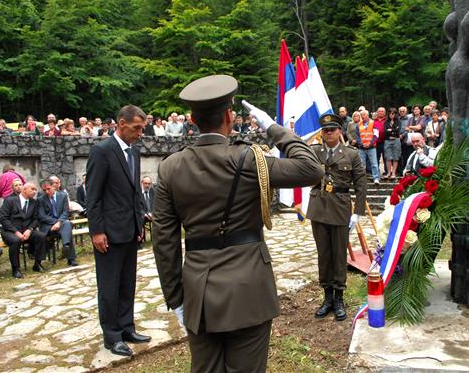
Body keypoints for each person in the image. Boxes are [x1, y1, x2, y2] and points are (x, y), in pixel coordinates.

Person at [152, 74, 323, 373]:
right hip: (248, 285)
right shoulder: (249, 159)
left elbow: (164, 241)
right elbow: (311, 168)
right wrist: (273, 128)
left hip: (198, 290)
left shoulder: (170, 167)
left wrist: (176, 298)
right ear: (230, 116)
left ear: (192, 119)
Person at [86, 105, 151, 357]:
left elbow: (135, 192)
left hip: (129, 229)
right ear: (121, 124)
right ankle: (111, 336)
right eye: (136, 128)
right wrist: (97, 231)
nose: (140, 133)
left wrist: (139, 224)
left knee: (127, 283)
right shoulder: (101, 151)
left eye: (142, 128)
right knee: (109, 286)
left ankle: (126, 327)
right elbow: (94, 196)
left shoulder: (134, 153)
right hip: (108, 233)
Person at [306, 113, 367, 321]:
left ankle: (339, 297)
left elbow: (360, 183)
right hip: (318, 208)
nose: (328, 133)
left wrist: (357, 212)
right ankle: (327, 297)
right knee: (324, 254)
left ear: (340, 131)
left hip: (340, 209)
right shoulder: (314, 152)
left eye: (332, 129)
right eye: (325, 130)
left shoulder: (351, 154)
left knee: (339, 255)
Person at [0, 182, 46, 278]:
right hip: (10, 231)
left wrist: (29, 229)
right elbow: (3, 219)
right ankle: (15, 269)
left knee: (41, 236)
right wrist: (16, 232)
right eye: (32, 189)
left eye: (35, 189)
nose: (34, 191)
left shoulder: (34, 202)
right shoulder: (10, 201)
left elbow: (36, 219)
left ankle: (37, 264)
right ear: (24, 190)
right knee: (15, 240)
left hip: (26, 231)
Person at [38, 179, 78, 267]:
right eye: (44, 190)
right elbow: (42, 216)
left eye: (48, 189)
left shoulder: (63, 196)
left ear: (54, 186)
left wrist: (59, 223)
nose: (47, 192)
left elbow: (66, 212)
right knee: (67, 226)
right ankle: (70, 256)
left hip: (61, 224)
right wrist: (56, 223)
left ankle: (66, 247)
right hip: (49, 227)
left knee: (67, 224)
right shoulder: (40, 199)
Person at [355, 110, 380, 184]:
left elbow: (376, 135)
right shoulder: (358, 124)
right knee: (361, 164)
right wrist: (361, 144)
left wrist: (370, 143)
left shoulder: (373, 123)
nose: (362, 116)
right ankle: (361, 179)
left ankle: (376, 178)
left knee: (374, 164)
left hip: (371, 147)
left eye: (364, 115)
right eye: (361, 115)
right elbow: (357, 136)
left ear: (368, 115)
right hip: (361, 148)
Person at [384, 108, 402, 179]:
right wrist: (393, 131)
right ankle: (389, 172)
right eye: (390, 113)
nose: (391, 115)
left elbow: (398, 131)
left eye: (393, 113)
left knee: (395, 157)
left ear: (395, 114)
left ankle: (394, 173)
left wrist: (391, 130)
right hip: (387, 140)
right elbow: (385, 131)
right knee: (388, 157)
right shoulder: (386, 122)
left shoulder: (398, 122)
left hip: (396, 140)